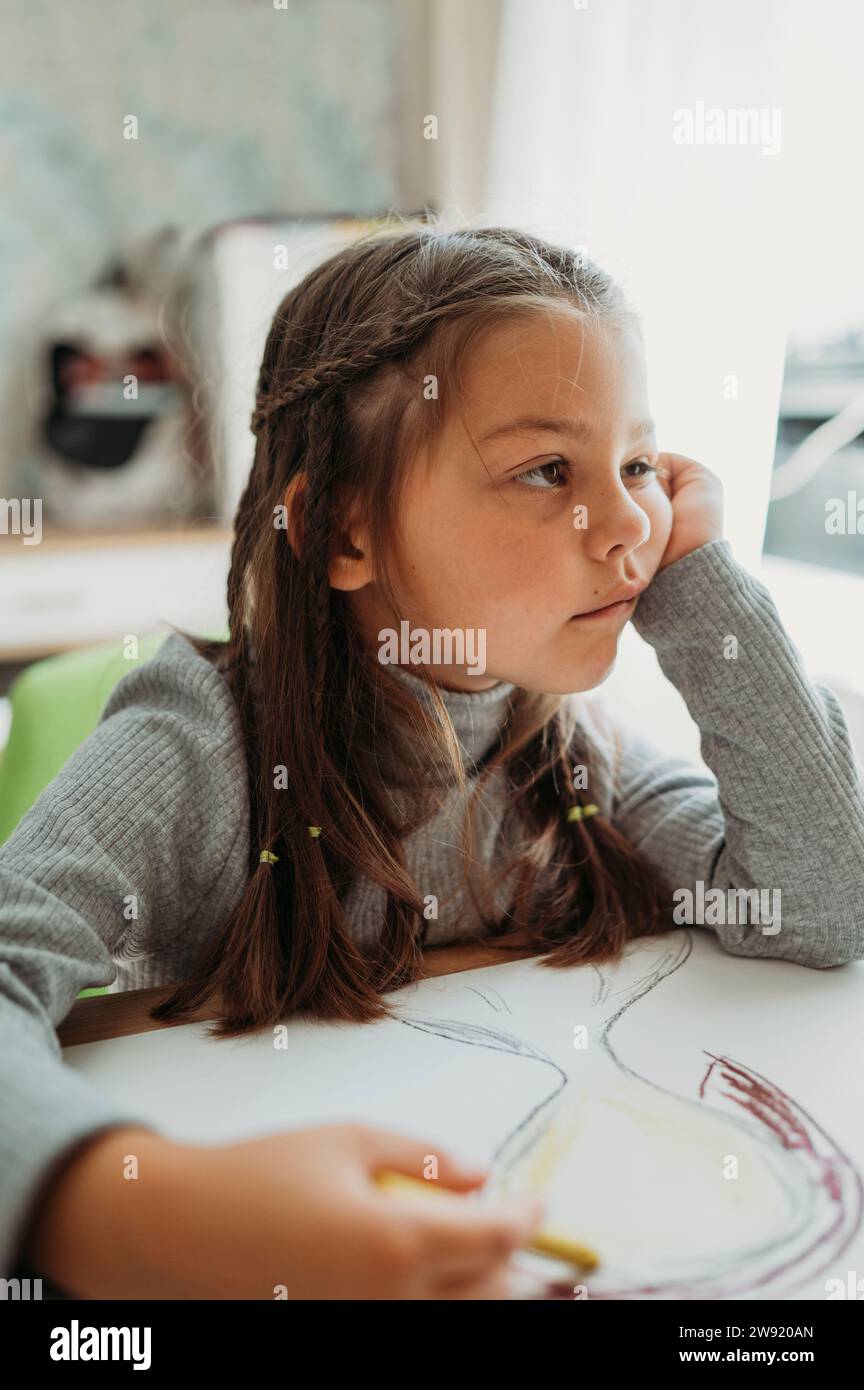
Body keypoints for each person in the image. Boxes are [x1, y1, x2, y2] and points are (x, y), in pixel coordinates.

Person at [3, 220, 863, 1299]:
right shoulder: (198, 752)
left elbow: (820, 902)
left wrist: (701, 583)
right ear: (341, 532)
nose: (629, 528)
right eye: (549, 469)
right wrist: (120, 1213)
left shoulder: (571, 749)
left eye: (639, 464)